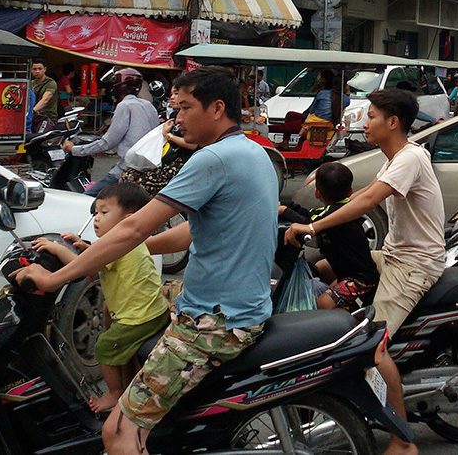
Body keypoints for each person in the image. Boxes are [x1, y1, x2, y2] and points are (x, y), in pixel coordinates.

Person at [15, 66, 279, 455]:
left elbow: (135, 227)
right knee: (133, 303)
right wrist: (119, 250)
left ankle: (124, 405)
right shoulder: (254, 152)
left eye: (186, 107)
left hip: (215, 321)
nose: (176, 118)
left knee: (117, 434)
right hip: (238, 304)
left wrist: (57, 279)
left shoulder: (213, 159)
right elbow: (189, 231)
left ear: (217, 108)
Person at [286, 88, 444, 455]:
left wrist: (314, 228)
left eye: (372, 115)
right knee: (323, 266)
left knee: (374, 346)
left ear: (392, 122)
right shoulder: (395, 157)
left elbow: (369, 202)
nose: (365, 121)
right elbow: (360, 195)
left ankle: (403, 441)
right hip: (392, 255)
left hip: (414, 265)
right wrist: (315, 209)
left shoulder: (408, 159)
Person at [32, 183, 169, 414]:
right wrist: (83, 245)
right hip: (150, 311)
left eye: (104, 213)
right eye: (96, 212)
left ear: (130, 218)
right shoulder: (126, 242)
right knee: (117, 343)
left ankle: (114, 394)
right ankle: (125, 386)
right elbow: (99, 254)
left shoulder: (122, 245)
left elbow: (86, 267)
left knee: (104, 347)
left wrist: (56, 249)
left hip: (138, 318)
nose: (97, 218)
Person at [281, 162, 380, 311]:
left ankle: (354, 324)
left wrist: (284, 211)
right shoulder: (339, 209)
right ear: (350, 191)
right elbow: (308, 214)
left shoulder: (336, 215)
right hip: (345, 272)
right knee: (316, 268)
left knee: (322, 304)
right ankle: (347, 306)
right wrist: (283, 205)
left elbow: (309, 222)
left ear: (317, 193)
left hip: (361, 279)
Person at [65, 68, 159, 197]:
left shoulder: (124, 106)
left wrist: (74, 149)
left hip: (128, 168)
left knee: (87, 198)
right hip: (148, 167)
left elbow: (107, 143)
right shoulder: (149, 105)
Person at [31, 58, 59, 131]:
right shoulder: (31, 84)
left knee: (40, 137)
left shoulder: (51, 83)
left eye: (40, 69)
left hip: (47, 117)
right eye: (35, 69)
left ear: (45, 69)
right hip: (33, 117)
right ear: (31, 70)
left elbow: (45, 100)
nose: (37, 71)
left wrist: (32, 111)